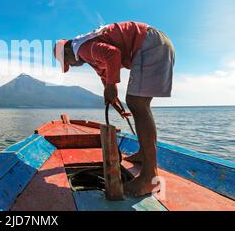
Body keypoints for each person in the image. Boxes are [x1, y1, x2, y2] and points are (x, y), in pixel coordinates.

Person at [53, 21, 175, 197]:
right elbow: (105, 74)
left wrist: (112, 86)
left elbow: (113, 54)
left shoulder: (82, 48)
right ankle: (143, 154)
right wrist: (113, 97)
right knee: (137, 103)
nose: (70, 65)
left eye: (67, 62)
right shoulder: (88, 47)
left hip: (149, 43)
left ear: (67, 51)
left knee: (137, 103)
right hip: (156, 41)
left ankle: (149, 177)